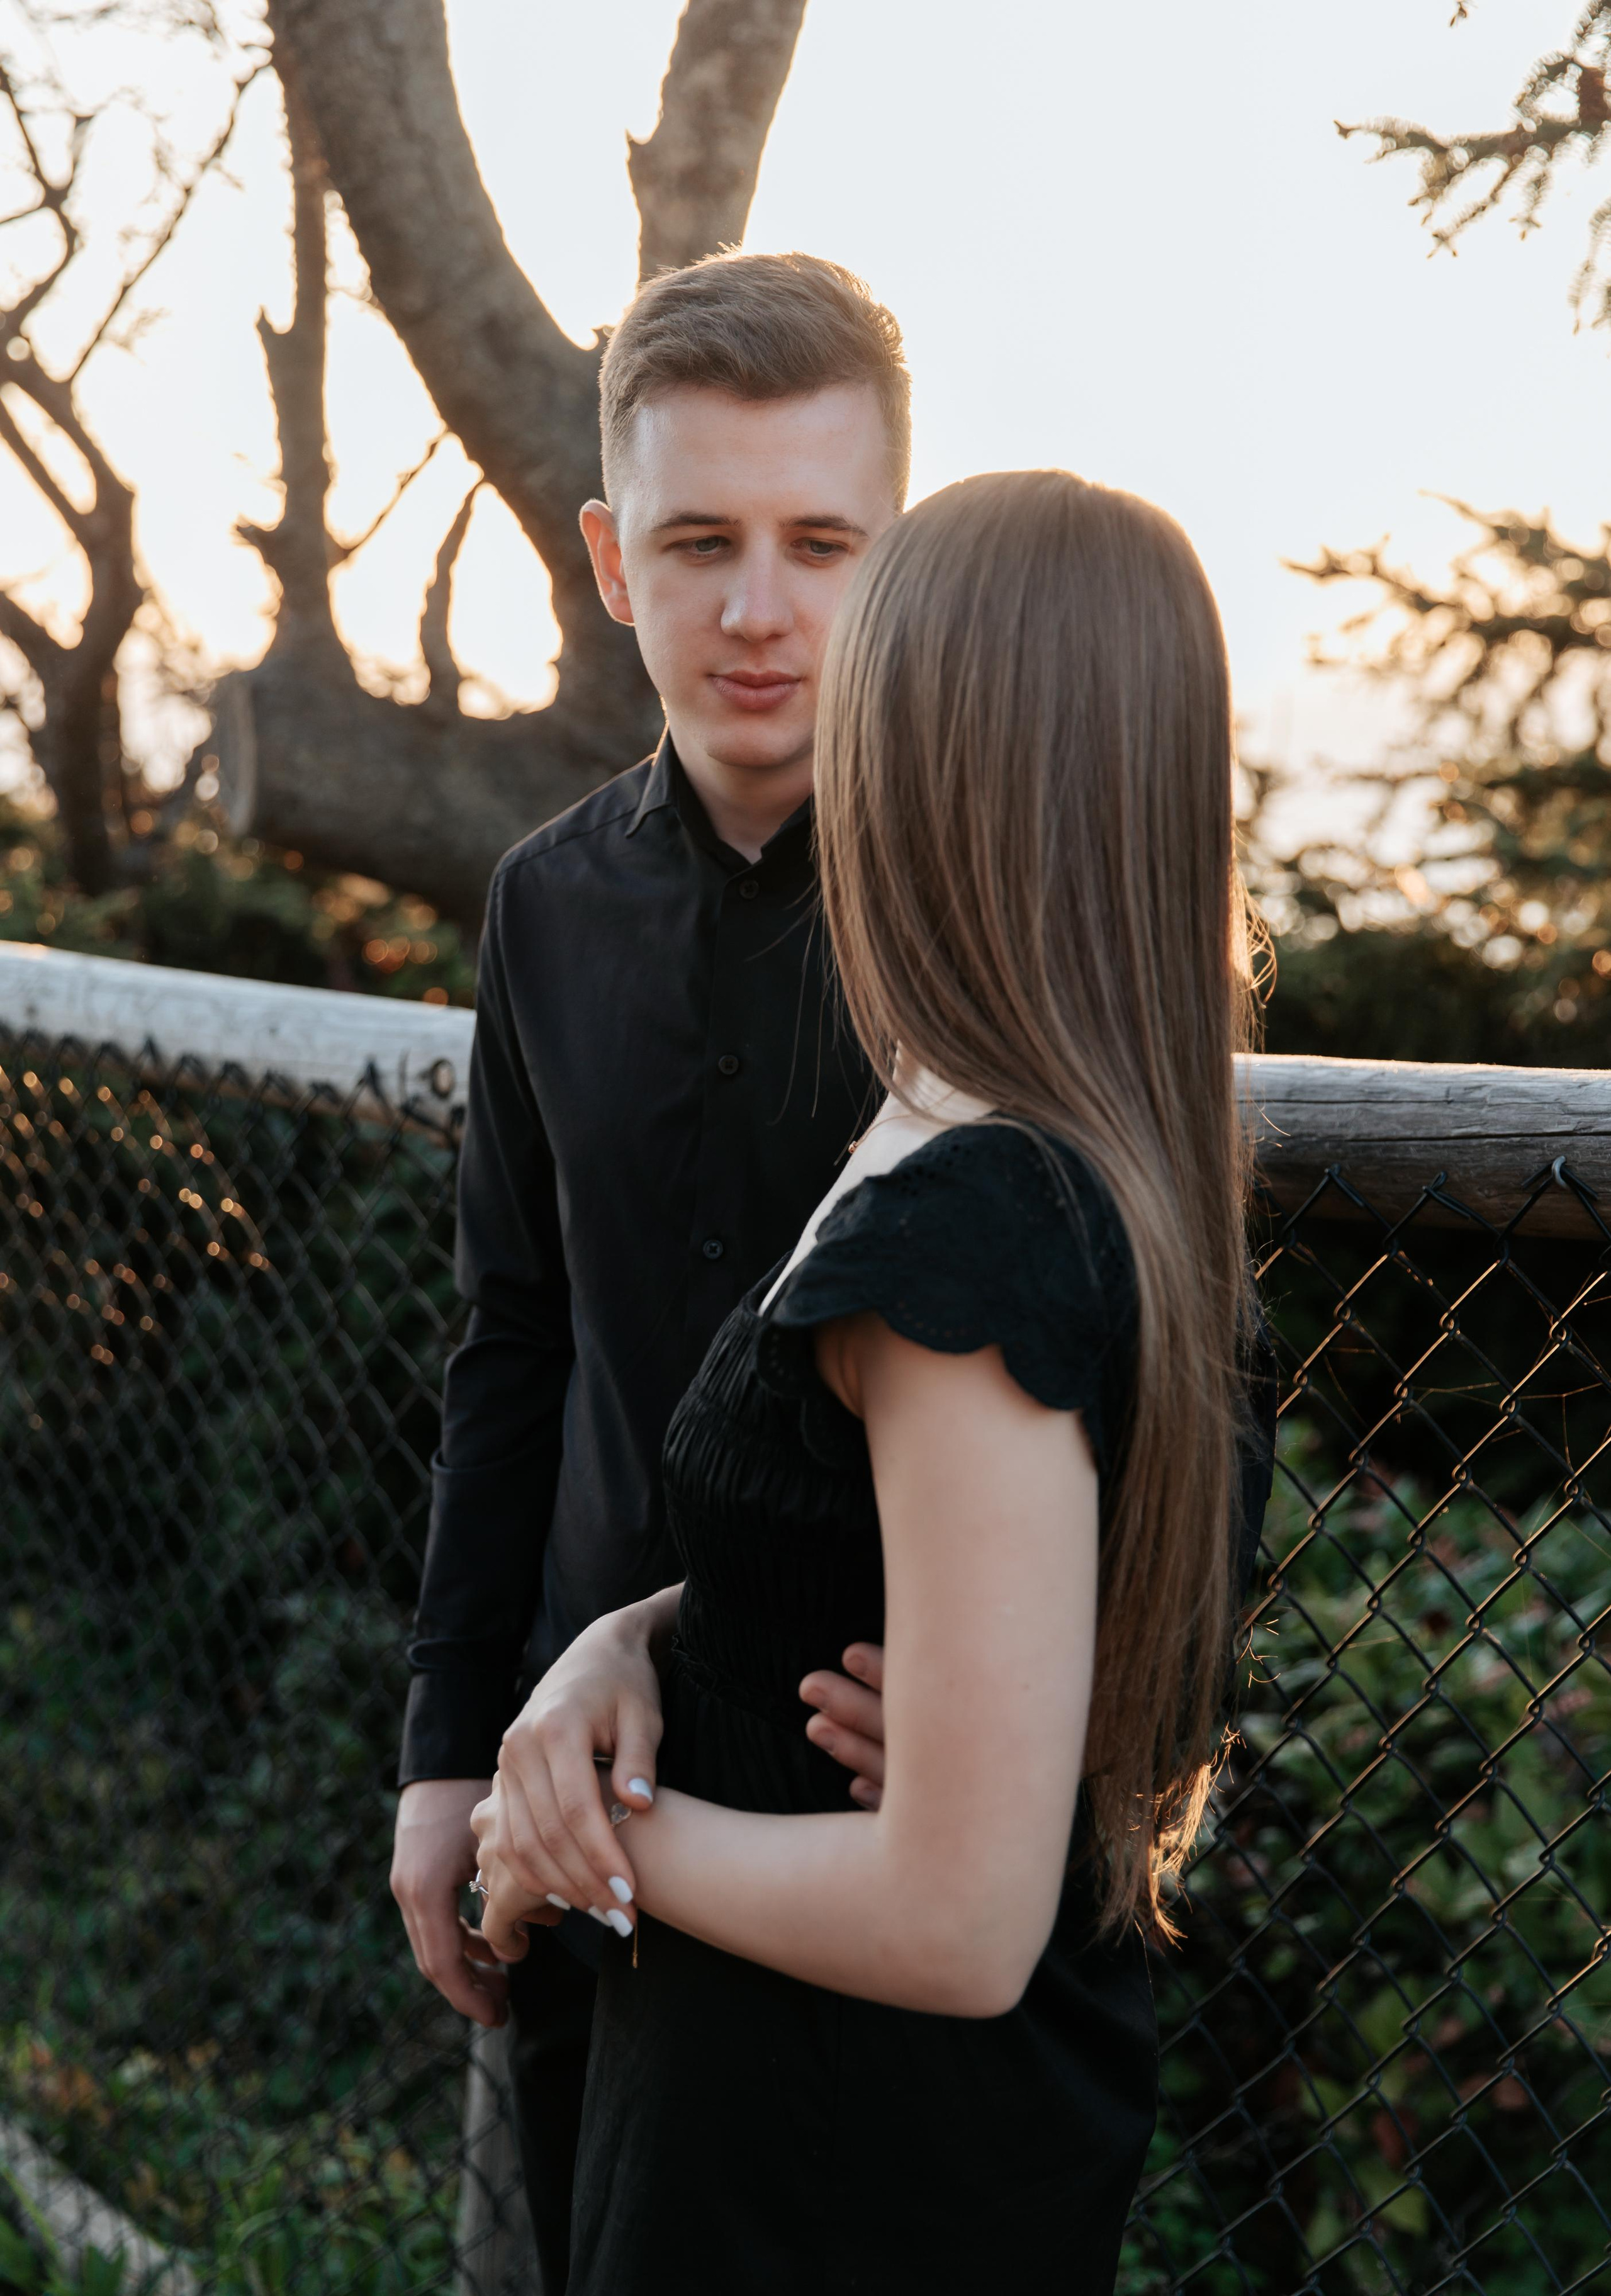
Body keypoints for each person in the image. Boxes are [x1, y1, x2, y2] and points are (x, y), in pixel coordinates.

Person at [471, 469, 1277, 2293]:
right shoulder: (1005, 1131)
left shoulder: (981, 1217)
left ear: (934, 762)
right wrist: (639, 1637)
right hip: (780, 2106)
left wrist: (583, 1850)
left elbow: (958, 1921)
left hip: (843, 2178)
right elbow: (857, 1530)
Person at [389, 250, 915, 2288]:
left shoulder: (989, 915)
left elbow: (1169, 1358)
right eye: (699, 542)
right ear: (614, 559)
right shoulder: (541, 906)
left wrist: (1074, 1728)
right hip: (569, 1800)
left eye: (819, 542)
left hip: (872, 1808)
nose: (759, 611)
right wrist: (445, 1756)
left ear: (898, 559)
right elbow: (509, 1347)